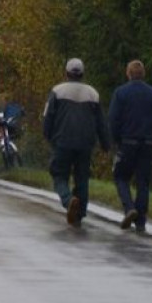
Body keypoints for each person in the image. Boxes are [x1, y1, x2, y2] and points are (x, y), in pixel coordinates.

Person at [42, 58, 110, 226]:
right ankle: (80, 213)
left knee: (58, 174)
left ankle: (68, 199)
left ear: (66, 73)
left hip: (62, 140)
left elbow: (48, 116)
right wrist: (105, 143)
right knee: (82, 177)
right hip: (85, 143)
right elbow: (101, 122)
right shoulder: (92, 94)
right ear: (82, 74)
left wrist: (48, 136)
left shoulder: (57, 91)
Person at [108, 60, 152, 233]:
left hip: (127, 142)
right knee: (143, 181)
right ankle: (140, 220)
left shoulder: (120, 93)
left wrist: (116, 140)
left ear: (128, 73)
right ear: (143, 74)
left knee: (120, 176)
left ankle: (129, 208)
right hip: (148, 143)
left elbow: (113, 119)